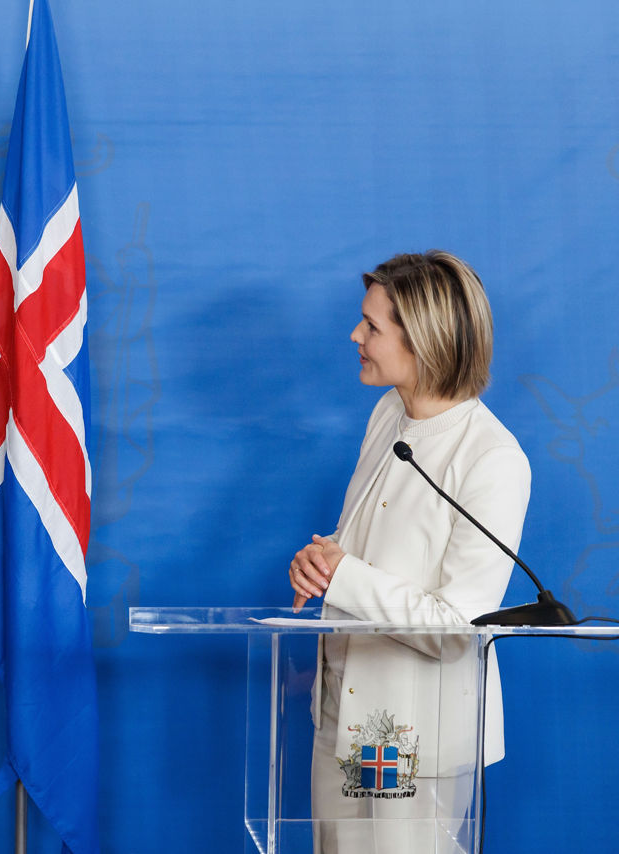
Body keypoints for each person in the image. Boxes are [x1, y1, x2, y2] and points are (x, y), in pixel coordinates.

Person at [287, 251, 530, 854]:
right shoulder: (388, 414)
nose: (355, 336)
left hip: (408, 732)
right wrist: (321, 561)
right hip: (342, 713)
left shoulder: (492, 459)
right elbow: (360, 547)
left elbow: (457, 628)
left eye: (371, 326)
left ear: (423, 339)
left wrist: (343, 576)